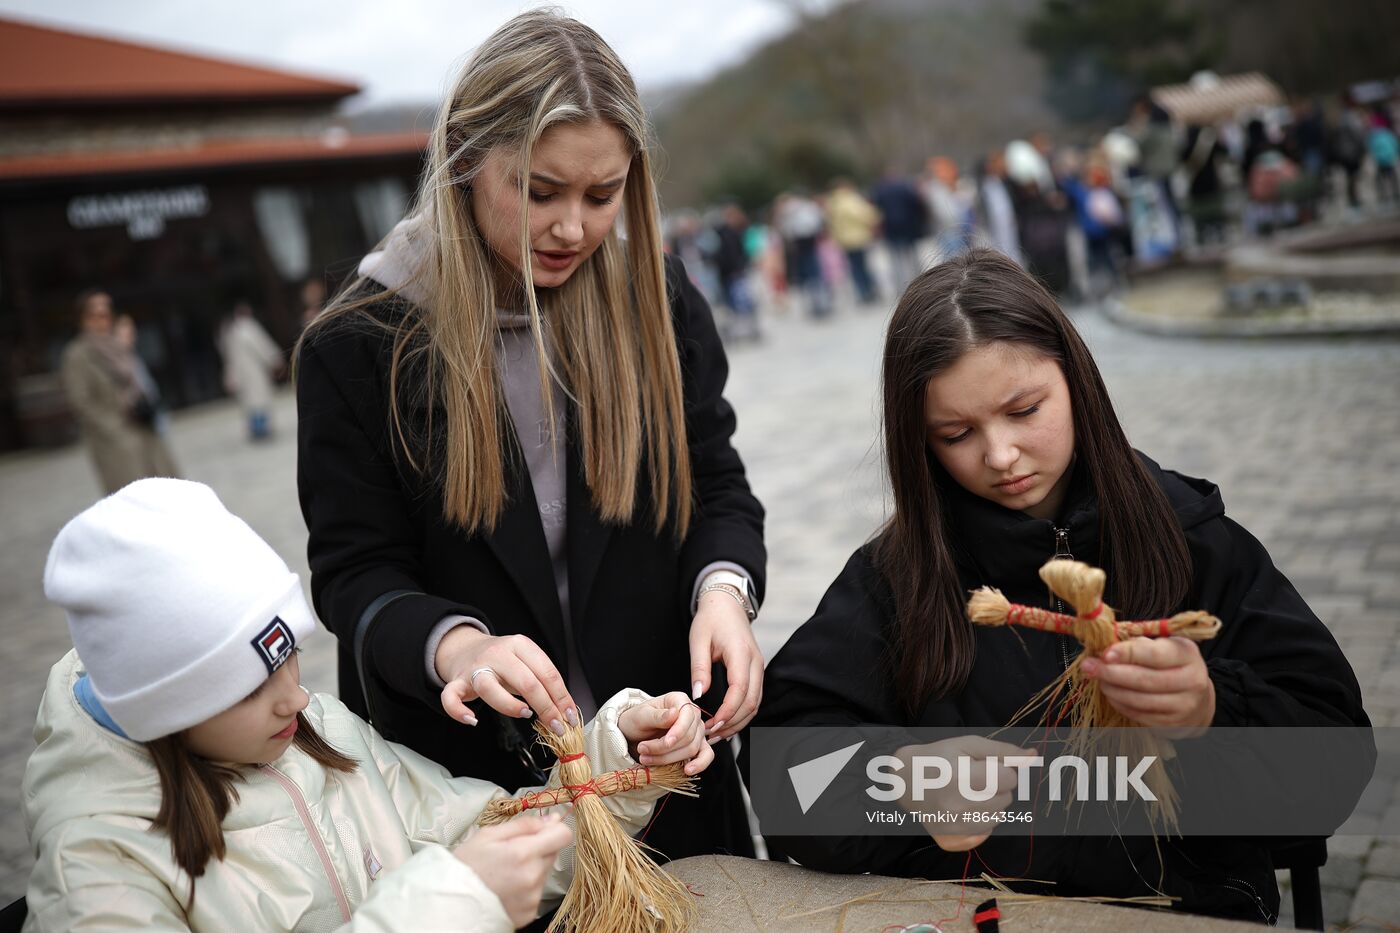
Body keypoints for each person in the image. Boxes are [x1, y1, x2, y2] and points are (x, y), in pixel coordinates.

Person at [750, 249, 1370, 923]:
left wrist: (1213, 710)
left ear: (1075, 379)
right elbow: (784, 776)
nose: (1000, 455)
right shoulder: (896, 580)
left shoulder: (1190, 538)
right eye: (956, 433)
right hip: (981, 912)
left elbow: (1334, 764)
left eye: (1024, 410)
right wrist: (901, 784)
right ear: (919, 443)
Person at [295, 11, 766, 864]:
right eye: (540, 191)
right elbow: (354, 574)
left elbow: (717, 482)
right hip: (479, 805)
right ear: (466, 161)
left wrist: (725, 593)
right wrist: (458, 646)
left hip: (667, 768)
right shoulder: (359, 343)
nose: (573, 229)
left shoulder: (654, 298)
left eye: (602, 194)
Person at [25, 478, 713, 931]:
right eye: (246, 687)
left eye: (289, 653)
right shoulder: (94, 867)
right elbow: (465, 881)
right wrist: (457, 904)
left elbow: (487, 828)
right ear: (165, 708)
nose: (295, 695)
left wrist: (619, 755)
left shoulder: (318, 730)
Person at [59, 289, 179, 494]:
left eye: (107, 313)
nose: (104, 319)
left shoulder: (117, 344)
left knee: (164, 492)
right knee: (133, 499)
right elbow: (80, 401)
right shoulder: (77, 355)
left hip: (143, 426)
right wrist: (113, 428)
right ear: (83, 318)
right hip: (115, 439)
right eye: (97, 314)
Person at [220, 301, 284, 441]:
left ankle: (256, 429)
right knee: (259, 400)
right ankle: (262, 429)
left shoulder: (232, 331)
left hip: (243, 373)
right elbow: (262, 346)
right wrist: (275, 359)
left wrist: (231, 376)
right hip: (254, 371)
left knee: (250, 402)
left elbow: (229, 358)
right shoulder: (249, 327)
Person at [824, 178, 881, 305]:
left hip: (844, 241)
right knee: (864, 266)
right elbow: (866, 215)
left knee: (854, 268)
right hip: (859, 238)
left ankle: (862, 292)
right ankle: (871, 291)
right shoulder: (851, 200)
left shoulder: (833, 203)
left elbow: (831, 224)